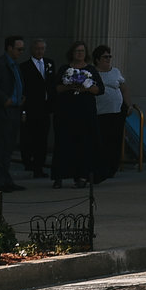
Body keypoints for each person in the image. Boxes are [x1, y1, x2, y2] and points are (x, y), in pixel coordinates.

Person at [50, 41, 102, 188]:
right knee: (63, 143)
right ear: (71, 53)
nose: (80, 54)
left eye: (82, 51)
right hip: (66, 112)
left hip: (85, 113)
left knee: (84, 144)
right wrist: (69, 86)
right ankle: (59, 176)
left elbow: (100, 89)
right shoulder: (64, 69)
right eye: (77, 51)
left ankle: (82, 176)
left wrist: (87, 87)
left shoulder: (91, 69)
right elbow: (55, 88)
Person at [0, 34, 27, 193]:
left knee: (8, 148)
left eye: (22, 49)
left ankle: (6, 180)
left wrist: (21, 104)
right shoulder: (0, 64)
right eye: (18, 49)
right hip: (1, 112)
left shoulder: (15, 65)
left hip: (14, 110)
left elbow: (19, 85)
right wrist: (5, 99)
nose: (21, 52)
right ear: (9, 48)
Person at [91, 45, 131, 182]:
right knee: (102, 140)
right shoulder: (93, 72)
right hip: (100, 112)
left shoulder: (116, 72)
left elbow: (124, 88)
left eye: (109, 56)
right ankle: (101, 168)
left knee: (115, 140)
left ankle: (112, 167)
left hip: (116, 111)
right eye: (105, 57)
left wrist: (128, 104)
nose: (108, 59)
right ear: (97, 59)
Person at [20, 38, 53, 178]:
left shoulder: (49, 63)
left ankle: (39, 165)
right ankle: (28, 163)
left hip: (44, 107)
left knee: (42, 138)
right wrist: (23, 110)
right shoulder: (24, 67)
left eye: (42, 49)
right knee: (28, 137)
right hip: (31, 107)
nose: (40, 51)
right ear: (32, 50)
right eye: (37, 49)